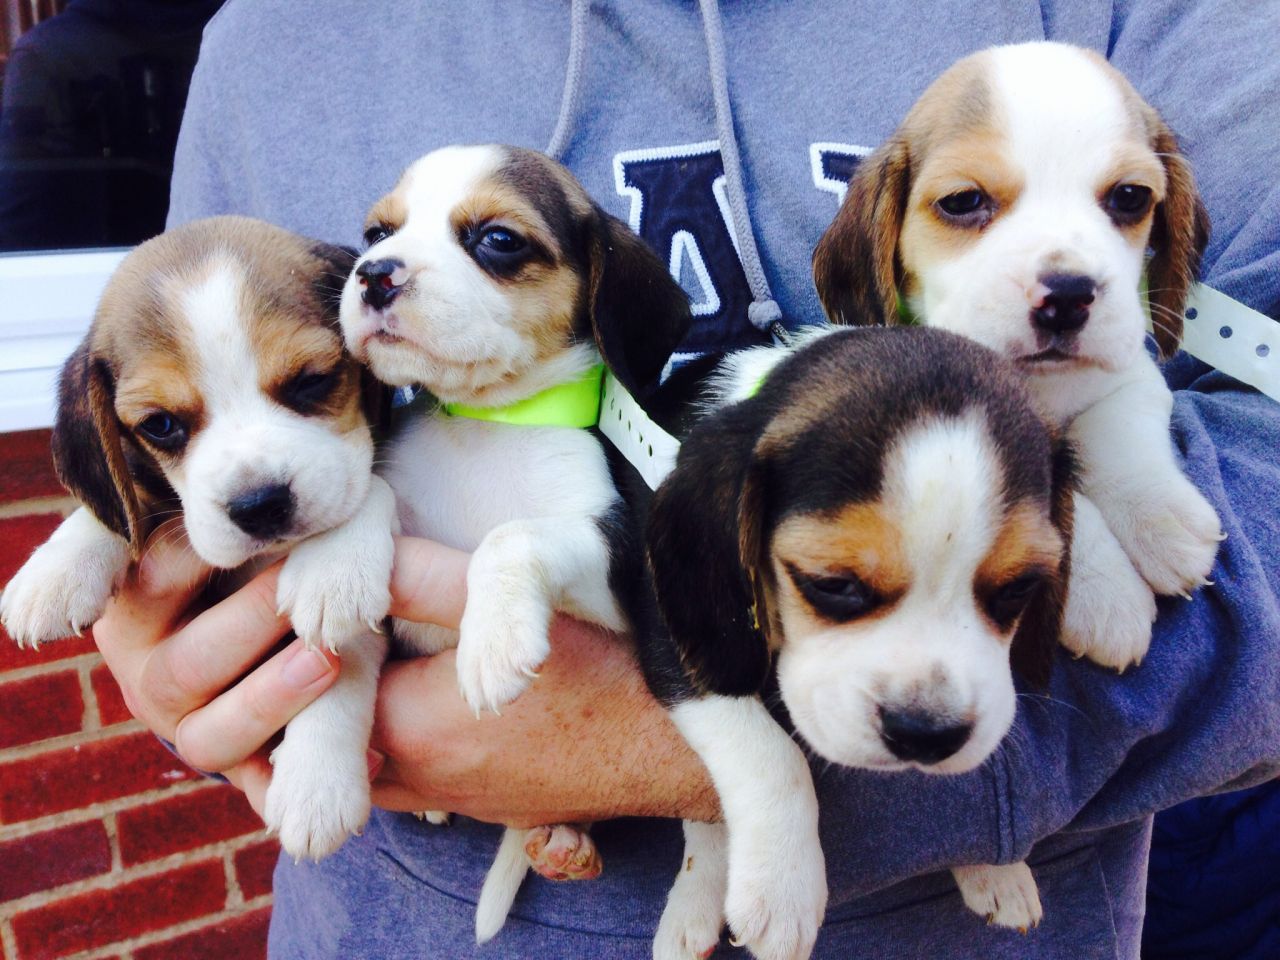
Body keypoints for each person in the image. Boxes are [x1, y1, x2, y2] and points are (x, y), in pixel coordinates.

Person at [91, 1, 1280, 957]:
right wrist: (194, 634)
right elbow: (217, 437)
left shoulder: (1154, 21)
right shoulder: (274, 39)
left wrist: (680, 729)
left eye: (1122, 202)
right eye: (966, 206)